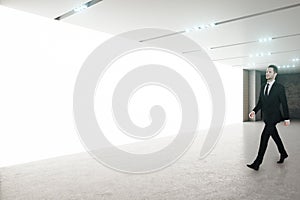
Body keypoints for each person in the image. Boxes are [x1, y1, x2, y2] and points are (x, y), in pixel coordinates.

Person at [247, 65, 290, 171]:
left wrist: (286, 118)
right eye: (266, 72)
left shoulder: (280, 87)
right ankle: (283, 153)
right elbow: (260, 102)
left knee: (264, 138)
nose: (267, 74)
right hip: (266, 117)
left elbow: (284, 103)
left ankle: (257, 162)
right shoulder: (263, 86)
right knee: (275, 136)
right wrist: (254, 111)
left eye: (270, 72)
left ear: (275, 74)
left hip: (274, 117)